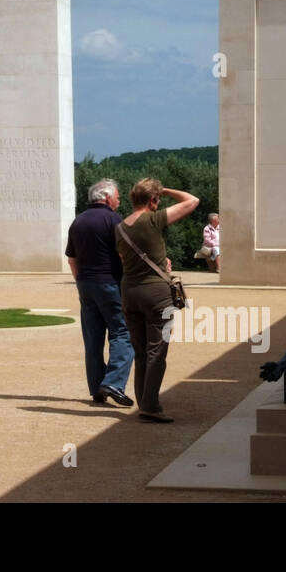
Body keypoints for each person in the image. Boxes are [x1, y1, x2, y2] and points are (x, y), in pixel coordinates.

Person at [114, 178, 199, 422]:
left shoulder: (120, 227)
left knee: (140, 352)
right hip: (155, 293)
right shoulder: (154, 219)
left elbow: (124, 259)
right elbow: (192, 200)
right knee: (156, 352)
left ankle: (144, 403)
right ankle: (151, 406)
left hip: (129, 291)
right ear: (153, 200)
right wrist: (167, 190)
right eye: (157, 198)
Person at [65, 179, 134, 407]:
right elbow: (124, 255)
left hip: (85, 284)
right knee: (122, 333)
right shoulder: (113, 219)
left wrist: (80, 281)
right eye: (117, 196)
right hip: (110, 283)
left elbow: (72, 258)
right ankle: (114, 381)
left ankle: (97, 388)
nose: (119, 200)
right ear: (106, 198)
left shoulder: (78, 221)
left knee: (93, 338)